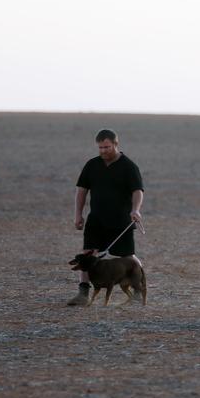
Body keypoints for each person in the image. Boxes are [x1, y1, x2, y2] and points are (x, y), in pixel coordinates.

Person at [67, 129, 144, 306]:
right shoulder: (92, 165)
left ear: (116, 145)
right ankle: (83, 293)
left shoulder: (128, 167)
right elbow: (81, 191)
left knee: (129, 257)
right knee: (88, 255)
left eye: (107, 147)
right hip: (96, 220)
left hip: (121, 221)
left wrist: (136, 210)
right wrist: (78, 214)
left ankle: (138, 291)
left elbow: (137, 191)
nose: (103, 151)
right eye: (100, 147)